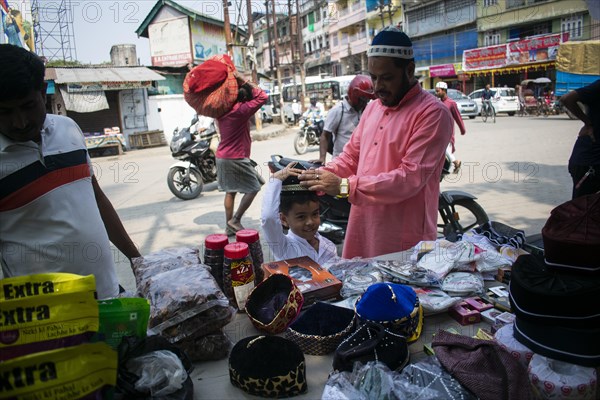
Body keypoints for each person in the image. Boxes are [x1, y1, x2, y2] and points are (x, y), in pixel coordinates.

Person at [0, 44, 141, 299]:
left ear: (43, 93)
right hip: (46, 318)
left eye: (28, 106)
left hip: (106, 294)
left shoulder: (68, 129)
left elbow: (96, 198)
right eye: (5, 112)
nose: (19, 122)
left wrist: (137, 259)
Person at [298, 27, 452, 258]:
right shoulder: (373, 108)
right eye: (374, 77)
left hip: (403, 237)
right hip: (362, 225)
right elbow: (351, 157)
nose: (378, 86)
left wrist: (343, 186)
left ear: (409, 71)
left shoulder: (432, 114)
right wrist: (317, 176)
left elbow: (409, 178)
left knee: (398, 294)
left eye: (387, 78)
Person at [216, 71, 267, 235]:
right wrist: (242, 80)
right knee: (254, 187)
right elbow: (262, 97)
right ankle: (236, 219)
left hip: (223, 156)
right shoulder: (240, 111)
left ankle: (228, 227)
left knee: (230, 191)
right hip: (236, 157)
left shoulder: (221, 111)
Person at [260, 163, 338, 265]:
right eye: (301, 217)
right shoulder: (284, 247)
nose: (310, 222)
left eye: (315, 214)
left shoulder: (329, 246)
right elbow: (268, 218)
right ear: (283, 219)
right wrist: (275, 180)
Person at [310, 75, 375, 164]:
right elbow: (325, 135)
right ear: (354, 95)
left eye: (367, 100)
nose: (365, 103)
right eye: (363, 99)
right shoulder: (338, 110)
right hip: (341, 162)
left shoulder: (364, 109)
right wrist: (322, 158)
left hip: (360, 162)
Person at [559, 79, 600, 198]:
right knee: (582, 210)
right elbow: (567, 98)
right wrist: (588, 123)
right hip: (589, 162)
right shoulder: (597, 87)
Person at [435, 81, 466, 173]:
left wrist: (462, 129)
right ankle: (445, 168)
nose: (436, 93)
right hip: (439, 132)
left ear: (444, 90)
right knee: (443, 150)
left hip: (448, 132)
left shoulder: (451, 103)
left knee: (444, 149)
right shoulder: (438, 103)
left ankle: (455, 162)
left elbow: (458, 117)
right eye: (436, 91)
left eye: (438, 91)